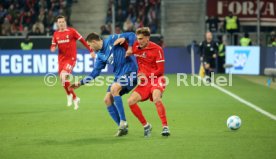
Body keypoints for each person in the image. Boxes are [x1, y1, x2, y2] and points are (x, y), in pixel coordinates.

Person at [70, 32, 138, 137]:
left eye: (89, 45)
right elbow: (95, 73)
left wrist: (129, 47)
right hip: (119, 75)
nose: (90, 48)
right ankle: (122, 128)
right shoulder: (100, 55)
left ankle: (123, 121)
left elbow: (132, 35)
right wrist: (81, 82)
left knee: (114, 89)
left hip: (130, 71)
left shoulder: (111, 39)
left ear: (94, 41)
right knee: (107, 99)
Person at [114, 27, 170, 137]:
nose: (139, 41)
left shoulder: (157, 49)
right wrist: (122, 39)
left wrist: (146, 75)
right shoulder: (135, 46)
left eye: (141, 39)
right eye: (138, 39)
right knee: (130, 101)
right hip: (144, 82)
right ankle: (146, 125)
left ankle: (165, 127)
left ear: (148, 38)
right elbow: (127, 39)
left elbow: (160, 70)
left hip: (156, 79)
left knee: (156, 97)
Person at [50, 15, 94, 110]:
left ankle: (70, 96)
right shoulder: (56, 34)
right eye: (59, 22)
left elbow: (83, 40)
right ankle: (74, 97)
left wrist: (91, 50)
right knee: (63, 80)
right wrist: (53, 48)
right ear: (57, 24)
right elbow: (53, 45)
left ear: (65, 22)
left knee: (63, 75)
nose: (61, 23)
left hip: (71, 59)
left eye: (62, 22)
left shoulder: (72, 31)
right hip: (61, 60)